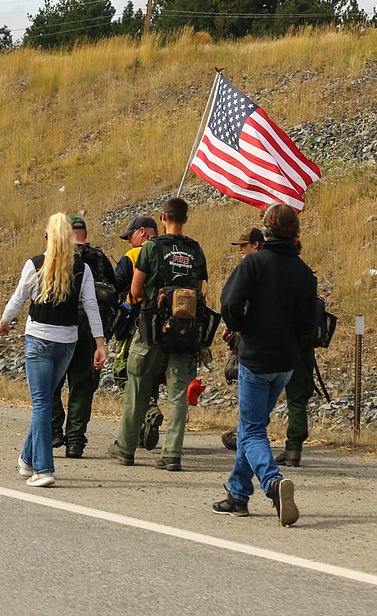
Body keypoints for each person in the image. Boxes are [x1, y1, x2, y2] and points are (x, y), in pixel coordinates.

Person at [214, 204, 317, 526]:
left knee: (254, 430)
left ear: (266, 230)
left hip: (257, 358)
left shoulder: (254, 264)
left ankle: (273, 483)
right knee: (251, 426)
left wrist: (241, 325)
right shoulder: (303, 272)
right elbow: (310, 322)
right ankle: (238, 495)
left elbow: (229, 304)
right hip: (286, 363)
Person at [0, 213, 107, 487]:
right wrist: (100, 342)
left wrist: (5, 321)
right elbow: (91, 306)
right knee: (44, 402)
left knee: (42, 403)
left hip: (39, 339)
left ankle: (44, 470)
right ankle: (27, 459)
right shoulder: (82, 269)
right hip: (67, 342)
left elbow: (19, 297)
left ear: (47, 236)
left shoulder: (35, 264)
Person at [108, 198, 207, 471]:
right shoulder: (196, 251)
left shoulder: (151, 247)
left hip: (151, 327)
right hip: (185, 330)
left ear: (163, 217)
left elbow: (137, 290)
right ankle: (172, 454)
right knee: (177, 393)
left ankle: (126, 448)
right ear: (185, 219)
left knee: (138, 384)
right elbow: (199, 290)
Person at [50, 215, 116, 459]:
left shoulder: (55, 258)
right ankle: (75, 441)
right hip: (89, 330)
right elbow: (114, 292)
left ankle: (54, 431)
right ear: (85, 233)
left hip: (59, 328)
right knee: (83, 387)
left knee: (52, 382)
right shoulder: (98, 259)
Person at [110, 215, 165, 451]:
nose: (129, 242)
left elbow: (116, 287)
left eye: (130, 235)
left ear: (141, 232)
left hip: (138, 323)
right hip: (166, 324)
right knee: (150, 377)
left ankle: (149, 412)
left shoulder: (134, 255)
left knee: (124, 373)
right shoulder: (170, 253)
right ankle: (144, 431)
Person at [220, 227, 265, 452]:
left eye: (244, 245)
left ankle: (245, 435)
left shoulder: (250, 269)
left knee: (244, 384)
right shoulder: (272, 268)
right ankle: (248, 433)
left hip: (249, 339)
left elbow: (236, 302)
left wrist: (235, 326)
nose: (240, 250)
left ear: (256, 244)